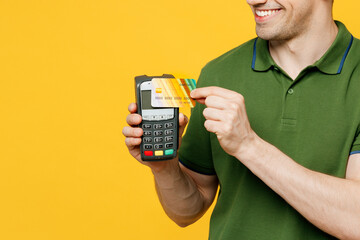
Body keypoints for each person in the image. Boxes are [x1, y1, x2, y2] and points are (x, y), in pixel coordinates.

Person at [123, 0, 360, 239]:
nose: (253, 0)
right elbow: (185, 212)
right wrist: (165, 168)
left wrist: (248, 146)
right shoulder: (219, 73)